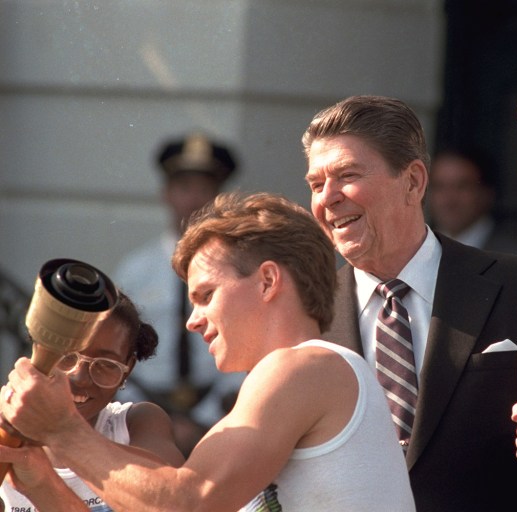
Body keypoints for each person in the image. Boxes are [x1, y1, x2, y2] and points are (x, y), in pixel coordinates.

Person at [302, 95, 517, 511]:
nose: (328, 198)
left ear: (414, 182)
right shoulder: (306, 313)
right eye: (315, 184)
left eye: (346, 175)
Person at [1, 192, 416, 511]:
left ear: (268, 281)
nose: (192, 320)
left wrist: (60, 429)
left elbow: (188, 503)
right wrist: (42, 482)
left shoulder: (307, 366)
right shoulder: (274, 393)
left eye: (206, 295)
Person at [114, 131, 245, 455]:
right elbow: (117, 351)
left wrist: (204, 419)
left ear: (219, 197)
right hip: (144, 420)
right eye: (185, 188)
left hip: (222, 418)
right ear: (167, 194)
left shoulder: (240, 268)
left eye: (205, 189)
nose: (194, 200)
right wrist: (151, 421)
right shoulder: (135, 271)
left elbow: (245, 342)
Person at [0, 291, 185, 511]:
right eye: (66, 356)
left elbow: (174, 500)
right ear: (37, 350)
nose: (80, 377)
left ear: (126, 371)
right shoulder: (6, 433)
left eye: (106, 364)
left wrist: (60, 429)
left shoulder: (135, 423)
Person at [428, 146, 517, 257]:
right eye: (439, 187)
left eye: (462, 186)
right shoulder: (416, 252)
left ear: (487, 193)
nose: (449, 199)